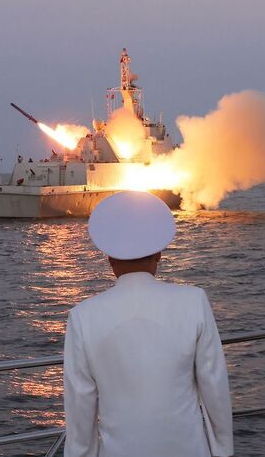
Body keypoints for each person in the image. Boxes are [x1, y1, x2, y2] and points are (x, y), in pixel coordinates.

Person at [63, 191, 234, 457]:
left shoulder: (82, 317)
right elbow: (214, 388)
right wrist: (222, 450)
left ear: (109, 258)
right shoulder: (193, 301)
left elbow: (80, 407)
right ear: (159, 255)